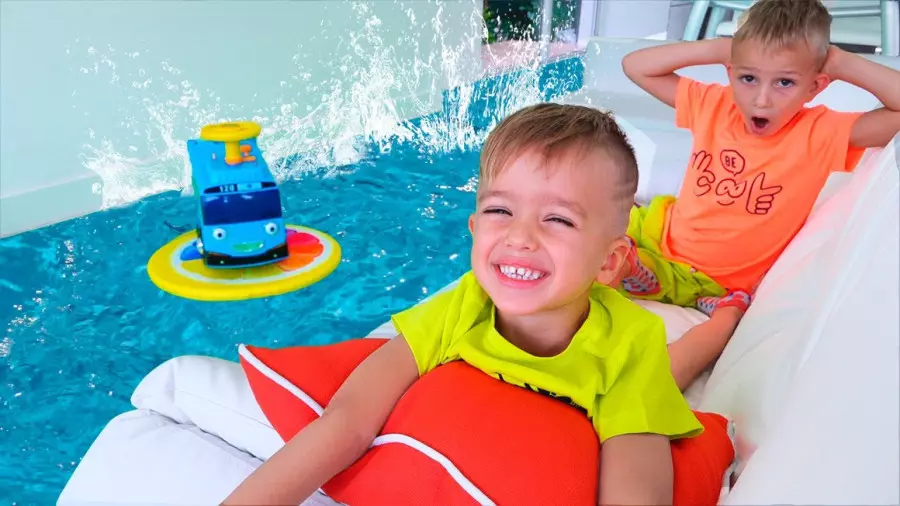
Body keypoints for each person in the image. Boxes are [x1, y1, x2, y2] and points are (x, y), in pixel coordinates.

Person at [222, 103, 704, 506]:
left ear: (608, 261)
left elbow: (635, 487)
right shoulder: (462, 306)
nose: (519, 236)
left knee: (676, 367)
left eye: (558, 219)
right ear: (474, 229)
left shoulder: (629, 343)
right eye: (499, 210)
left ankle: (726, 316)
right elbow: (348, 420)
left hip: (624, 348)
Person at [619, 0, 900, 390]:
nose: (761, 99)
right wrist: (722, 48)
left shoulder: (820, 133)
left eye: (784, 83)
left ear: (816, 85)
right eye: (748, 78)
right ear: (731, 71)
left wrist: (839, 62)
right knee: (597, 238)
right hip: (660, 240)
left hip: (720, 284)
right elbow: (635, 65)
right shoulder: (714, 105)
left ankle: (719, 313)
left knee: (692, 310)